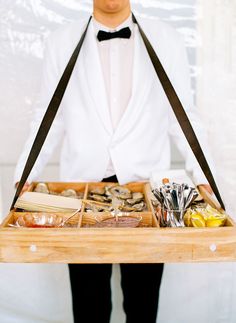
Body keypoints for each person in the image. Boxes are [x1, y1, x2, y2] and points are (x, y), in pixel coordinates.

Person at [14, 1, 213, 322]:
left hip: (149, 194)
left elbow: (183, 116)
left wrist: (205, 176)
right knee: (89, 307)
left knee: (143, 306)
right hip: (80, 195)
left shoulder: (168, 39)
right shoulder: (61, 41)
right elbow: (48, 115)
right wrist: (26, 173)